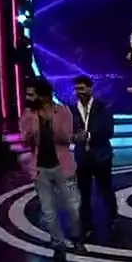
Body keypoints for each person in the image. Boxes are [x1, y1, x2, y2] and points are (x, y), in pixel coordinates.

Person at [20, 77, 83, 252]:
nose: (28, 98)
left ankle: (77, 239)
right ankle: (57, 241)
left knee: (72, 208)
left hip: (63, 167)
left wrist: (50, 122)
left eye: (32, 95)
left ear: (43, 95)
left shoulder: (62, 111)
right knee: (49, 212)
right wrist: (31, 125)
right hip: (40, 169)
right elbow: (25, 139)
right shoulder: (28, 114)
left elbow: (66, 138)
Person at [71, 75, 116, 240]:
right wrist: (73, 137)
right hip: (82, 158)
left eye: (82, 88)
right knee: (84, 194)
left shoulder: (102, 107)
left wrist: (89, 135)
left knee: (106, 190)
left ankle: (112, 219)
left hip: (101, 157)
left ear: (90, 89)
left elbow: (109, 131)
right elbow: (67, 130)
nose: (79, 92)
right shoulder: (71, 110)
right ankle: (87, 226)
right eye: (77, 89)